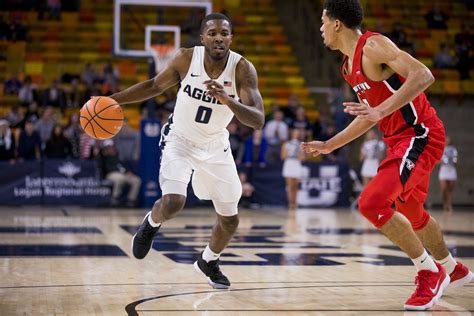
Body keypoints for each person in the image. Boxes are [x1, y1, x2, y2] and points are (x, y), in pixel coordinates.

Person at [301, 0, 472, 311]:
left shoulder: (373, 45)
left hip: (420, 134)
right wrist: (330, 144)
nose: (321, 28)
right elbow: (370, 115)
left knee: (372, 203)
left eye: (323, 22)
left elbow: (423, 75)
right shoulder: (347, 65)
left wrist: (380, 110)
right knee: (414, 213)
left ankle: (427, 270)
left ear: (337, 23)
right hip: (398, 140)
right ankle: (450, 267)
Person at [109, 13, 264, 289]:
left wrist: (227, 100)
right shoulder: (185, 58)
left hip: (216, 146)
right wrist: (114, 101)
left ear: (231, 38)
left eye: (224, 33)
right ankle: (150, 224)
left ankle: (208, 261)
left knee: (230, 220)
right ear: (203, 37)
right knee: (173, 202)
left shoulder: (242, 69)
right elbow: (155, 86)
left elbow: (257, 119)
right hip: (179, 139)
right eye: (213, 33)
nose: (219, 38)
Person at [97, 140, 141, 207]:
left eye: (112, 147)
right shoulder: (103, 157)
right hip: (110, 174)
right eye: (109, 147)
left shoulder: (117, 156)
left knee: (136, 180)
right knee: (120, 178)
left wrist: (128, 172)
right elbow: (101, 163)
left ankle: (131, 200)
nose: (111, 149)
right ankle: (115, 199)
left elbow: (122, 166)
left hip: (122, 174)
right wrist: (102, 152)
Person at [281, 129, 304, 210]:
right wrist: (290, 153)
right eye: (294, 133)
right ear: (291, 134)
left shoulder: (301, 145)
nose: (296, 135)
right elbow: (283, 156)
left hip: (296, 164)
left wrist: (299, 154)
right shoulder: (286, 144)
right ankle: (290, 203)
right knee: (289, 186)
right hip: (289, 164)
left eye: (297, 134)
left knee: (296, 186)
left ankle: (295, 202)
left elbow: (302, 157)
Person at [438, 136, 457, 213]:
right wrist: (442, 161)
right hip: (444, 170)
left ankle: (449, 205)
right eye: (446, 140)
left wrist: (453, 161)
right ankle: (444, 204)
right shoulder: (441, 149)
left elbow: (455, 160)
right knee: (443, 189)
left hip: (451, 170)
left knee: (450, 190)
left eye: (448, 140)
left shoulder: (453, 150)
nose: (447, 141)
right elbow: (438, 161)